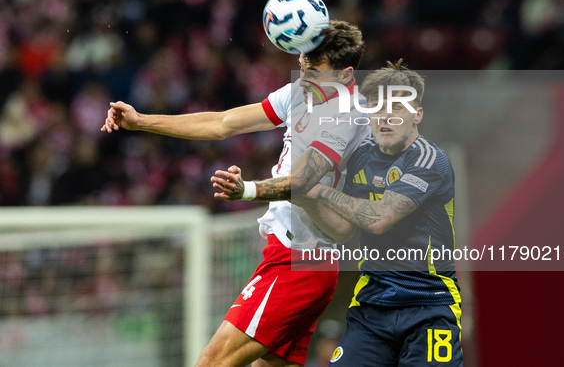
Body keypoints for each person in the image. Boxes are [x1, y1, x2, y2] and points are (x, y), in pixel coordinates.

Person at [101, 19, 369, 367]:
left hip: (300, 261)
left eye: (314, 69)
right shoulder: (300, 94)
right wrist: (142, 122)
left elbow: (302, 182)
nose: (304, 75)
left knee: (212, 362)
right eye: (302, 63)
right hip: (296, 253)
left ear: (345, 75)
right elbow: (222, 123)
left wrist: (247, 190)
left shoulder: (347, 114)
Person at [250, 60, 462, 366]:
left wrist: (315, 189)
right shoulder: (361, 156)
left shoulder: (430, 160)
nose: (386, 117)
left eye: (397, 108)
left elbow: (378, 219)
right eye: (378, 108)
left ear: (417, 115)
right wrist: (303, 198)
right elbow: (343, 228)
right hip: (372, 304)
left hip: (428, 305)